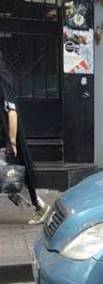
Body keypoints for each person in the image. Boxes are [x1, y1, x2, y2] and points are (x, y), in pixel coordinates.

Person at [0, 53, 51, 224]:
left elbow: (12, 113)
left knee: (9, 176)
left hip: (5, 140)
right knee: (8, 177)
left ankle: (39, 205)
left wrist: (12, 142)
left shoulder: (2, 83)